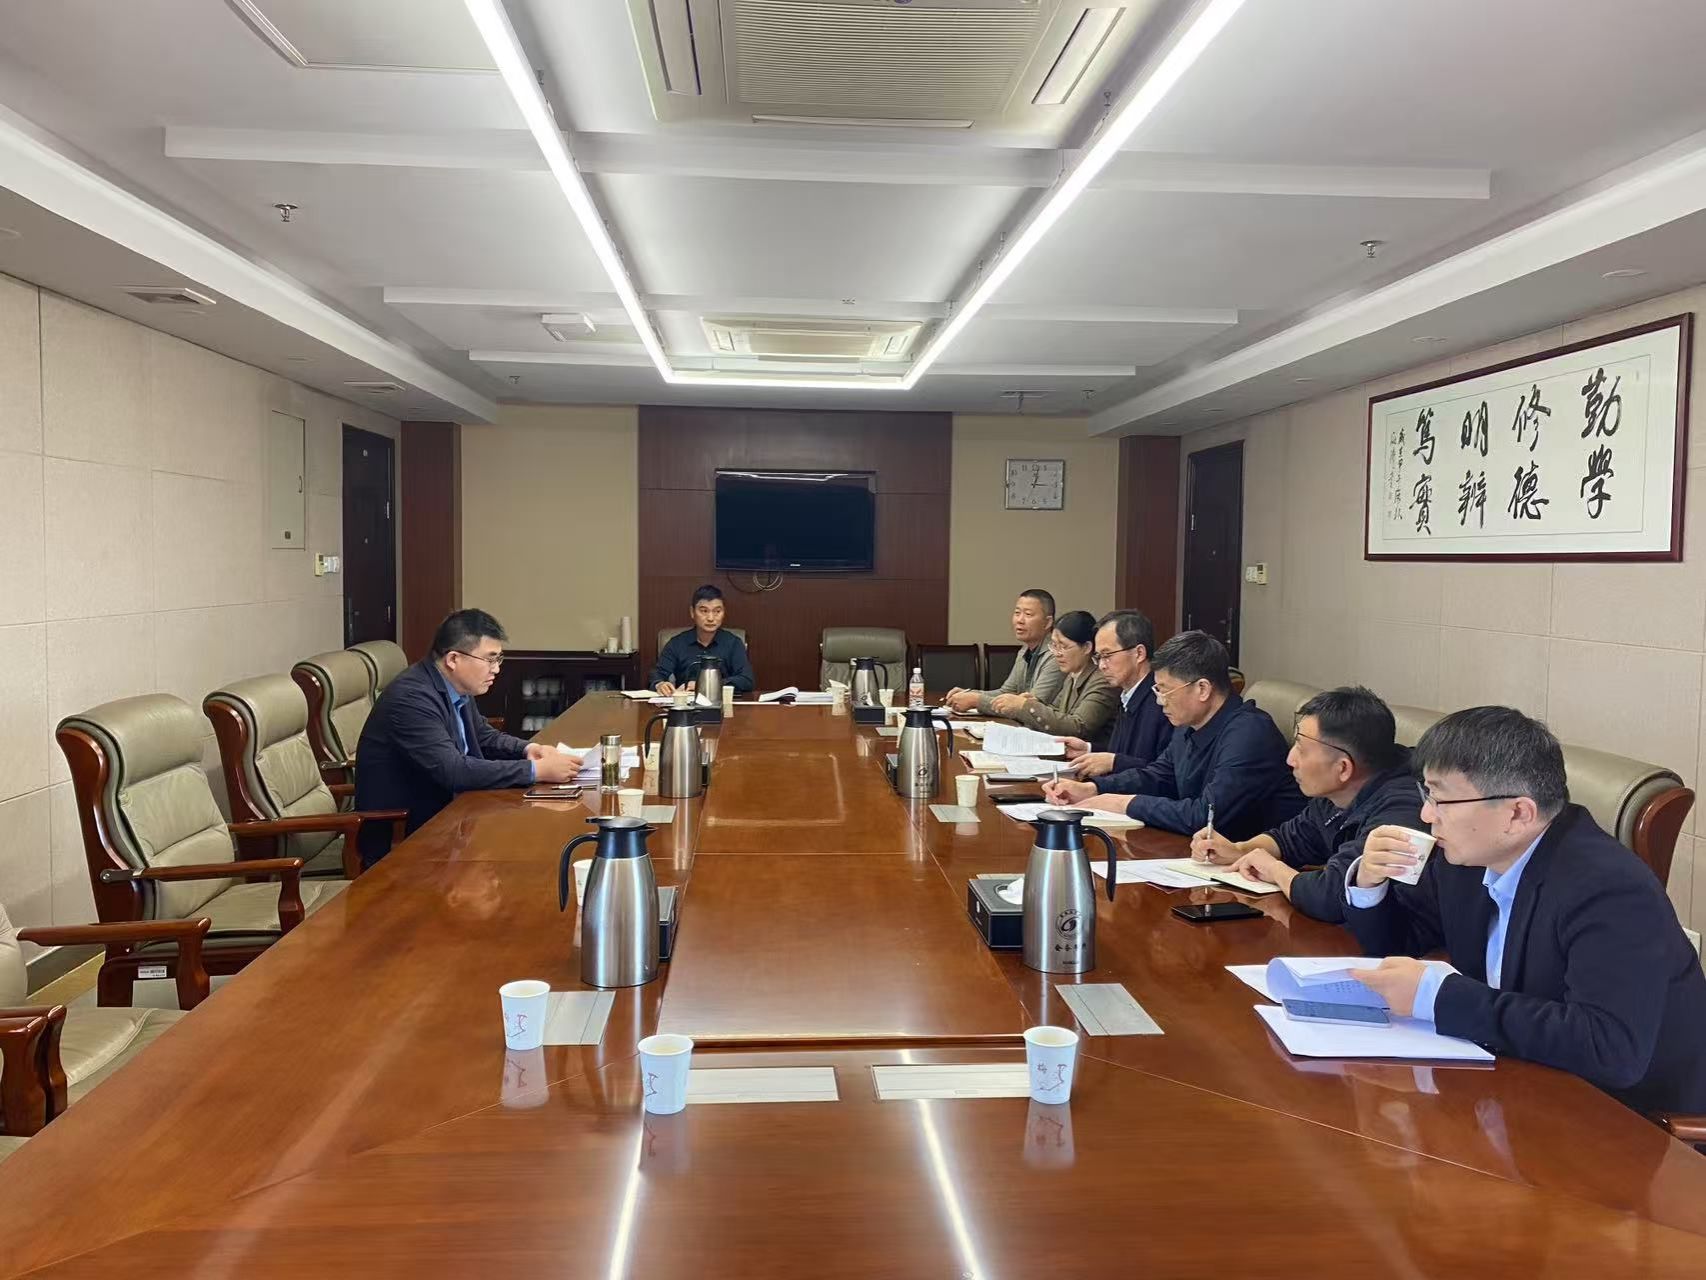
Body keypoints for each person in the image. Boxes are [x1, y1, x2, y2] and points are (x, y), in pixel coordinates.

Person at [1345, 706, 1706, 1117]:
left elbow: (1608, 1048)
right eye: (1427, 794)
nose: (1427, 815)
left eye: (1441, 799)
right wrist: (1369, 883)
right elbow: (1399, 946)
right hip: (1521, 1083)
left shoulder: (1610, 888)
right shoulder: (1470, 857)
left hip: (1628, 1120)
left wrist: (1440, 997)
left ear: (1518, 813)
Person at [354, 609, 583, 866]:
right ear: (453, 659)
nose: (496, 669)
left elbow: (482, 735)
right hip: (407, 836)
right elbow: (454, 771)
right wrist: (535, 771)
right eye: (490, 659)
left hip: (452, 818)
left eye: (499, 659)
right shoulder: (412, 698)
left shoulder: (454, 686)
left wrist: (529, 749)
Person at [1185, 686, 1423, 923]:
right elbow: (1292, 838)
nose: (1290, 760)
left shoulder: (1402, 809)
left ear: (1343, 768)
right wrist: (1239, 850)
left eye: (1301, 748)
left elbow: (1334, 896)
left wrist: (1275, 870)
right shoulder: (1338, 792)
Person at [1041, 630, 1304, 839]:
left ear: (1202, 689)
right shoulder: (1188, 724)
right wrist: (1092, 789)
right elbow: (1159, 776)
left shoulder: (1250, 734)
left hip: (1253, 868)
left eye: (1165, 690)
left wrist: (1124, 804)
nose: (1159, 701)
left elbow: (1205, 816)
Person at [1059, 609, 1172, 777]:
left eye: (1107, 655)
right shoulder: (1127, 694)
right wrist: (1089, 749)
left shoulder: (1162, 701)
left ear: (1139, 653)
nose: (1101, 666)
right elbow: (1124, 754)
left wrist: (1114, 763)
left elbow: (1165, 773)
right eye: (1098, 657)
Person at [943, 589, 1062, 715]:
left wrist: (976, 700)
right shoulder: (1025, 650)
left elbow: (1030, 707)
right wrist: (969, 694)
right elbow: (1007, 692)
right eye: (1017, 613)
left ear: (1048, 622)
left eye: (1028, 614)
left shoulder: (1056, 656)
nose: (1020, 620)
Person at [1007, 610, 1119, 743]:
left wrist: (1027, 707)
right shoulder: (1072, 675)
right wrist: (1032, 703)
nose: (1057, 653)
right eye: (1054, 645)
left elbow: (1077, 727)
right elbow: (1057, 712)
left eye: (1064, 646)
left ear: (1087, 647)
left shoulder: (1102, 680)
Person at [650, 584, 755, 695]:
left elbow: (746, 680)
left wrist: (707, 685)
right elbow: (657, 674)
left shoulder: (733, 643)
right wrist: (659, 684)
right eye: (704, 611)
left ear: (724, 613)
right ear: (692, 612)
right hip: (686, 703)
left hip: (722, 702)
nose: (711, 618)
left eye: (717, 611)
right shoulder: (676, 643)